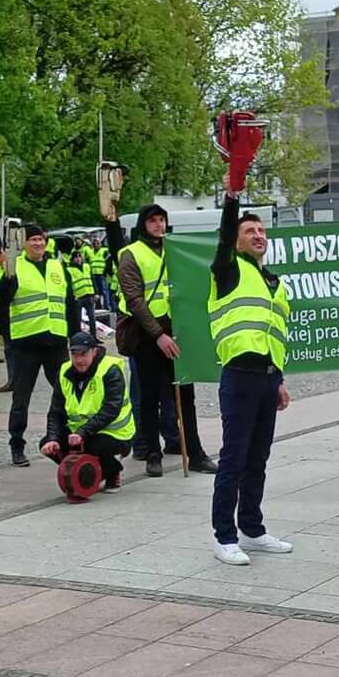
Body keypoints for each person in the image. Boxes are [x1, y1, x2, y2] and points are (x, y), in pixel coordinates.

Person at [205, 192, 295, 564]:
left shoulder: (272, 281)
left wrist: (280, 379)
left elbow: (273, 333)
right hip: (239, 378)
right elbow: (225, 237)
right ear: (236, 239)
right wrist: (231, 200)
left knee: (258, 458)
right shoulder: (228, 269)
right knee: (234, 459)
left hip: (266, 378)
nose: (258, 234)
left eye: (261, 230)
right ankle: (224, 535)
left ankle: (252, 529)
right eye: (249, 230)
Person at [113, 203, 213, 477]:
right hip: (148, 334)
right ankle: (152, 454)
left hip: (177, 329)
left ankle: (195, 452)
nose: (159, 225)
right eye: (153, 220)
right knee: (149, 397)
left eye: (162, 220)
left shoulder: (175, 248)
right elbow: (134, 299)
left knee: (186, 394)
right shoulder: (130, 254)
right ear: (143, 224)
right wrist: (158, 334)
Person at [0, 224, 75, 468]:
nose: (37, 244)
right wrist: (7, 337)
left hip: (56, 341)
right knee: (21, 398)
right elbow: (1, 301)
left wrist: (77, 337)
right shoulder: (14, 267)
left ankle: (70, 438)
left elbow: (70, 303)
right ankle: (17, 445)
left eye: (40, 239)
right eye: (32, 240)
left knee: (68, 392)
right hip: (27, 343)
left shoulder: (58, 266)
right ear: (24, 244)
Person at [42, 332, 136, 495]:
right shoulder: (64, 371)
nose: (79, 360)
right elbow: (56, 411)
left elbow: (110, 409)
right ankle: (86, 474)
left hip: (114, 432)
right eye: (74, 354)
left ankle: (111, 472)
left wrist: (82, 432)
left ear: (94, 351)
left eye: (83, 354)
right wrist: (52, 438)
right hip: (80, 432)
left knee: (95, 445)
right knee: (48, 445)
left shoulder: (110, 370)